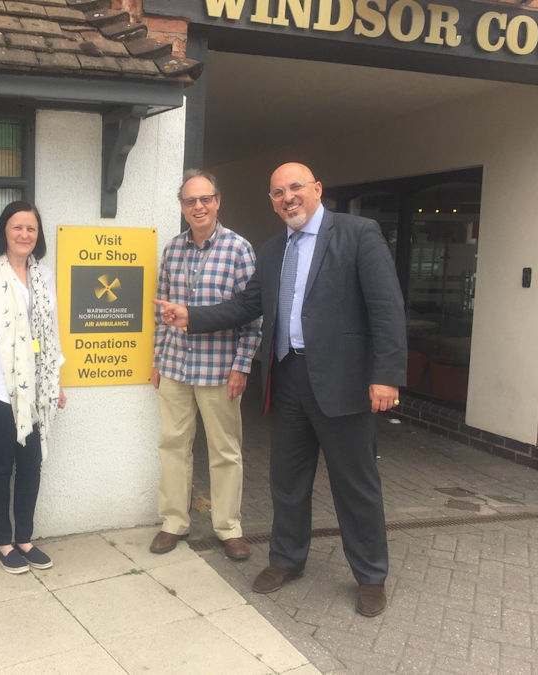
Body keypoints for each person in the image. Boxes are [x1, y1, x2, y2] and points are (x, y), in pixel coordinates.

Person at [155, 162, 406, 617]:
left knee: (356, 484)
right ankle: (287, 559)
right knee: (287, 481)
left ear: (316, 189)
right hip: (288, 378)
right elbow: (245, 306)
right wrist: (190, 316)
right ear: (271, 201)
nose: (287, 197)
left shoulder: (357, 233)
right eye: (277, 192)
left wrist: (386, 375)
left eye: (295, 188)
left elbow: (386, 308)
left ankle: (370, 575)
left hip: (344, 384)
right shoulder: (272, 251)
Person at [150, 169, 259, 561]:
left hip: (219, 370)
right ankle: (174, 521)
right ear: (182, 207)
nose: (198, 207)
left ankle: (228, 527)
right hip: (176, 366)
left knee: (225, 451)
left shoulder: (239, 249)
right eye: (190, 201)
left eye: (205, 199)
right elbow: (161, 309)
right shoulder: (172, 250)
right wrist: (157, 359)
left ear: (217, 201)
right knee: (173, 445)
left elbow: (253, 316)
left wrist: (242, 366)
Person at [0, 201, 66, 573]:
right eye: (17, 227)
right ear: (4, 231)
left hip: (35, 391)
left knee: (32, 466)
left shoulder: (44, 276)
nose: (24, 234)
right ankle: (3, 543)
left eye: (31, 229)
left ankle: (25, 539)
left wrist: (57, 383)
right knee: (1, 467)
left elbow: (50, 334)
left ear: (38, 236)